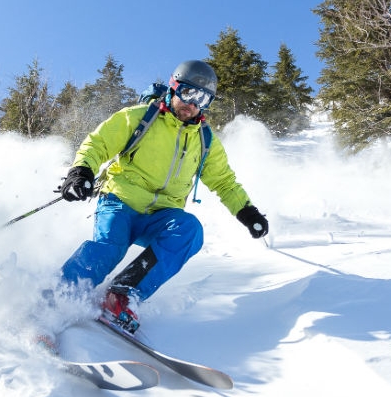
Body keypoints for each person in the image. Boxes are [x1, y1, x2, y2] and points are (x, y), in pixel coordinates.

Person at [56, 60, 268, 333]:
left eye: (202, 99)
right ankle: (56, 299)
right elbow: (98, 143)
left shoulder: (205, 140)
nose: (192, 104)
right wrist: (81, 172)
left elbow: (224, 182)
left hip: (159, 215)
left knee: (189, 230)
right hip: (120, 201)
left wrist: (247, 213)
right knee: (110, 247)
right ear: (175, 88)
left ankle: (122, 295)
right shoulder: (140, 116)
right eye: (189, 93)